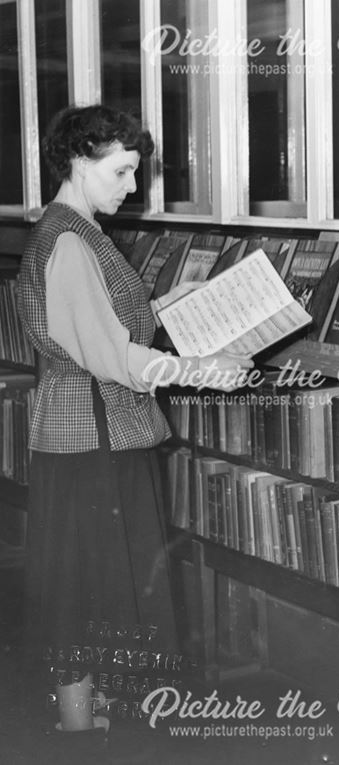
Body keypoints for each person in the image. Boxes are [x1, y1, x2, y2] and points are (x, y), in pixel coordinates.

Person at [16, 104, 251, 720]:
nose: (132, 186)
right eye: (121, 171)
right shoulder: (69, 238)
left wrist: (173, 298)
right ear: (78, 160)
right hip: (93, 438)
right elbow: (110, 355)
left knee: (88, 582)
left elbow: (103, 321)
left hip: (93, 434)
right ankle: (77, 733)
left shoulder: (73, 228)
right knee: (85, 587)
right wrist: (204, 371)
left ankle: (83, 719)